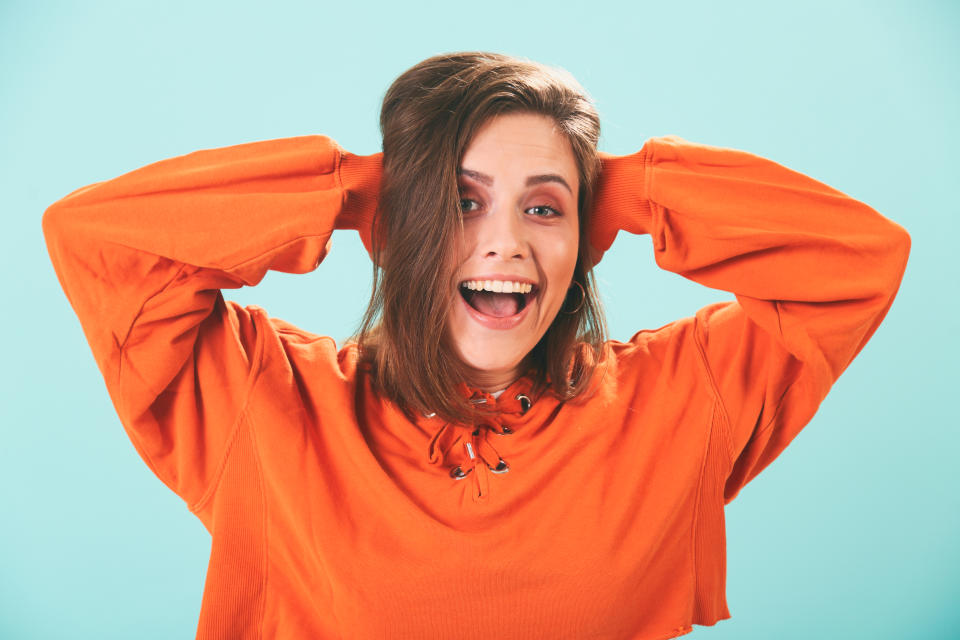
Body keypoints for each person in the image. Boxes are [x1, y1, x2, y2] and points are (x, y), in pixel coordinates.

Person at [42, 52, 910, 639]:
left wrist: (630, 189)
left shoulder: (682, 399)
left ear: (586, 234)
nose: (507, 245)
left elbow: (859, 259)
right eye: (461, 203)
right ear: (401, 225)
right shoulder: (262, 400)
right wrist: (353, 190)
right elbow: (99, 240)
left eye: (544, 209)